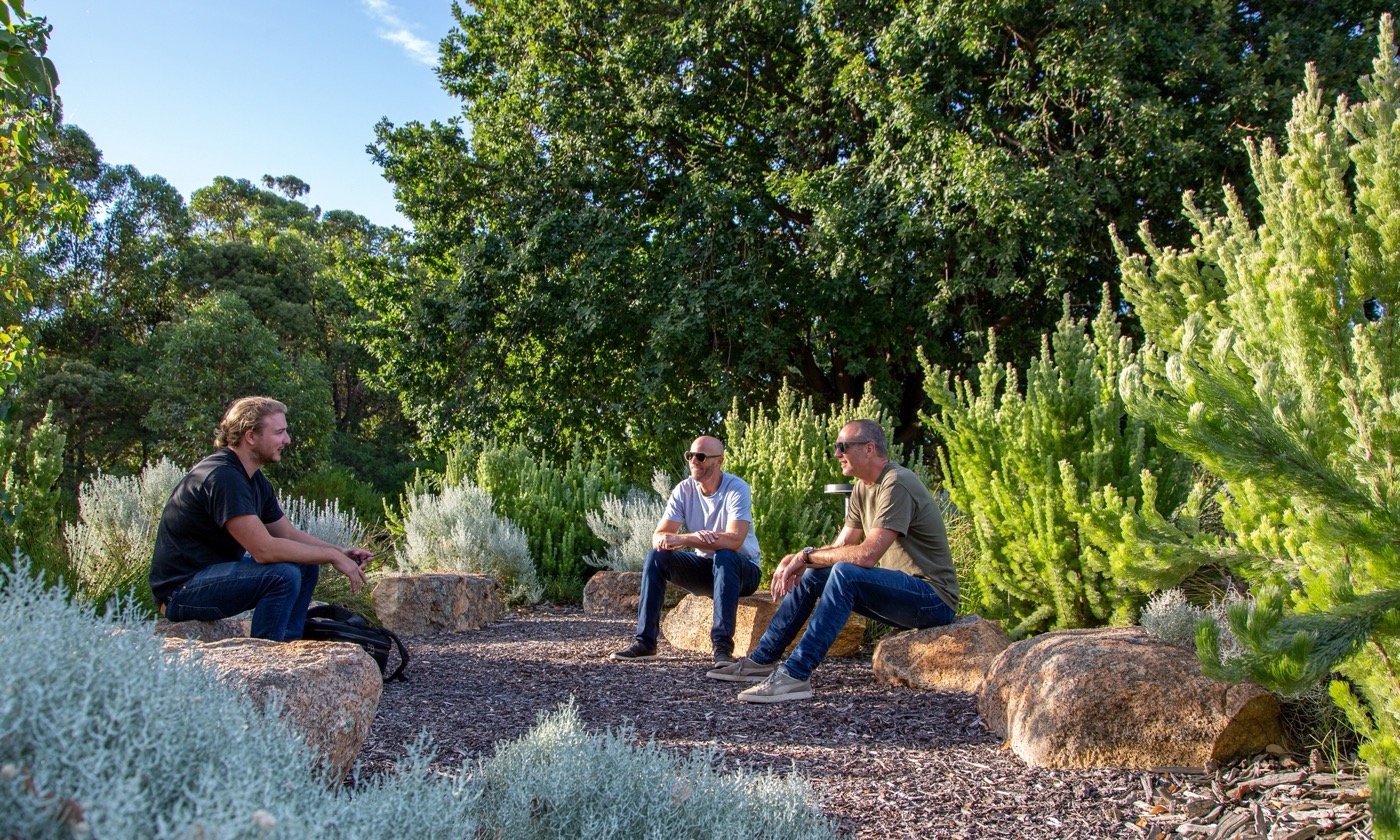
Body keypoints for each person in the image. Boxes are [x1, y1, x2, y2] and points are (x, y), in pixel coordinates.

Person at [707, 419, 958, 702]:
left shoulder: (896, 483)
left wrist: (807, 556)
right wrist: (800, 559)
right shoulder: (862, 488)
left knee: (844, 573)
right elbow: (842, 545)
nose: (837, 454)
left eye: (842, 447)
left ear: (869, 449)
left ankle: (795, 675)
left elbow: (867, 554)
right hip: (903, 593)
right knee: (817, 574)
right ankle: (761, 660)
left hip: (933, 598)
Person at [149, 396, 371, 641]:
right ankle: (267, 657)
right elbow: (264, 550)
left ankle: (288, 645)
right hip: (181, 592)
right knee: (282, 575)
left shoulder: (253, 479)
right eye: (279, 432)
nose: (287, 440)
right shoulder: (223, 477)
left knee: (305, 565)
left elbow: (286, 534)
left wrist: (339, 551)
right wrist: (331, 556)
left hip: (209, 576)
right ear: (250, 436)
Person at [610, 435, 762, 663]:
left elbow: (734, 541)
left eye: (700, 457)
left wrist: (686, 540)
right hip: (707, 570)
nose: (694, 461)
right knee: (656, 557)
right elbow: (659, 538)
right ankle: (645, 643)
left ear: (719, 461)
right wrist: (692, 538)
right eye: (690, 455)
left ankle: (722, 649)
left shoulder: (736, 488)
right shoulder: (684, 490)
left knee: (725, 555)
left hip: (743, 571)